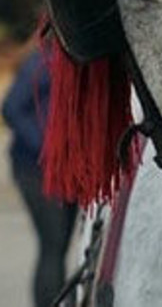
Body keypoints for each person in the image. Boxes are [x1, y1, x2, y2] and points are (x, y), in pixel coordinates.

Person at [2, 42, 78, 307]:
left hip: (67, 170)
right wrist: (46, 147)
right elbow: (10, 107)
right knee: (53, 245)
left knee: (59, 247)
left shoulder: (77, 60)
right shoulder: (43, 61)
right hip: (35, 170)